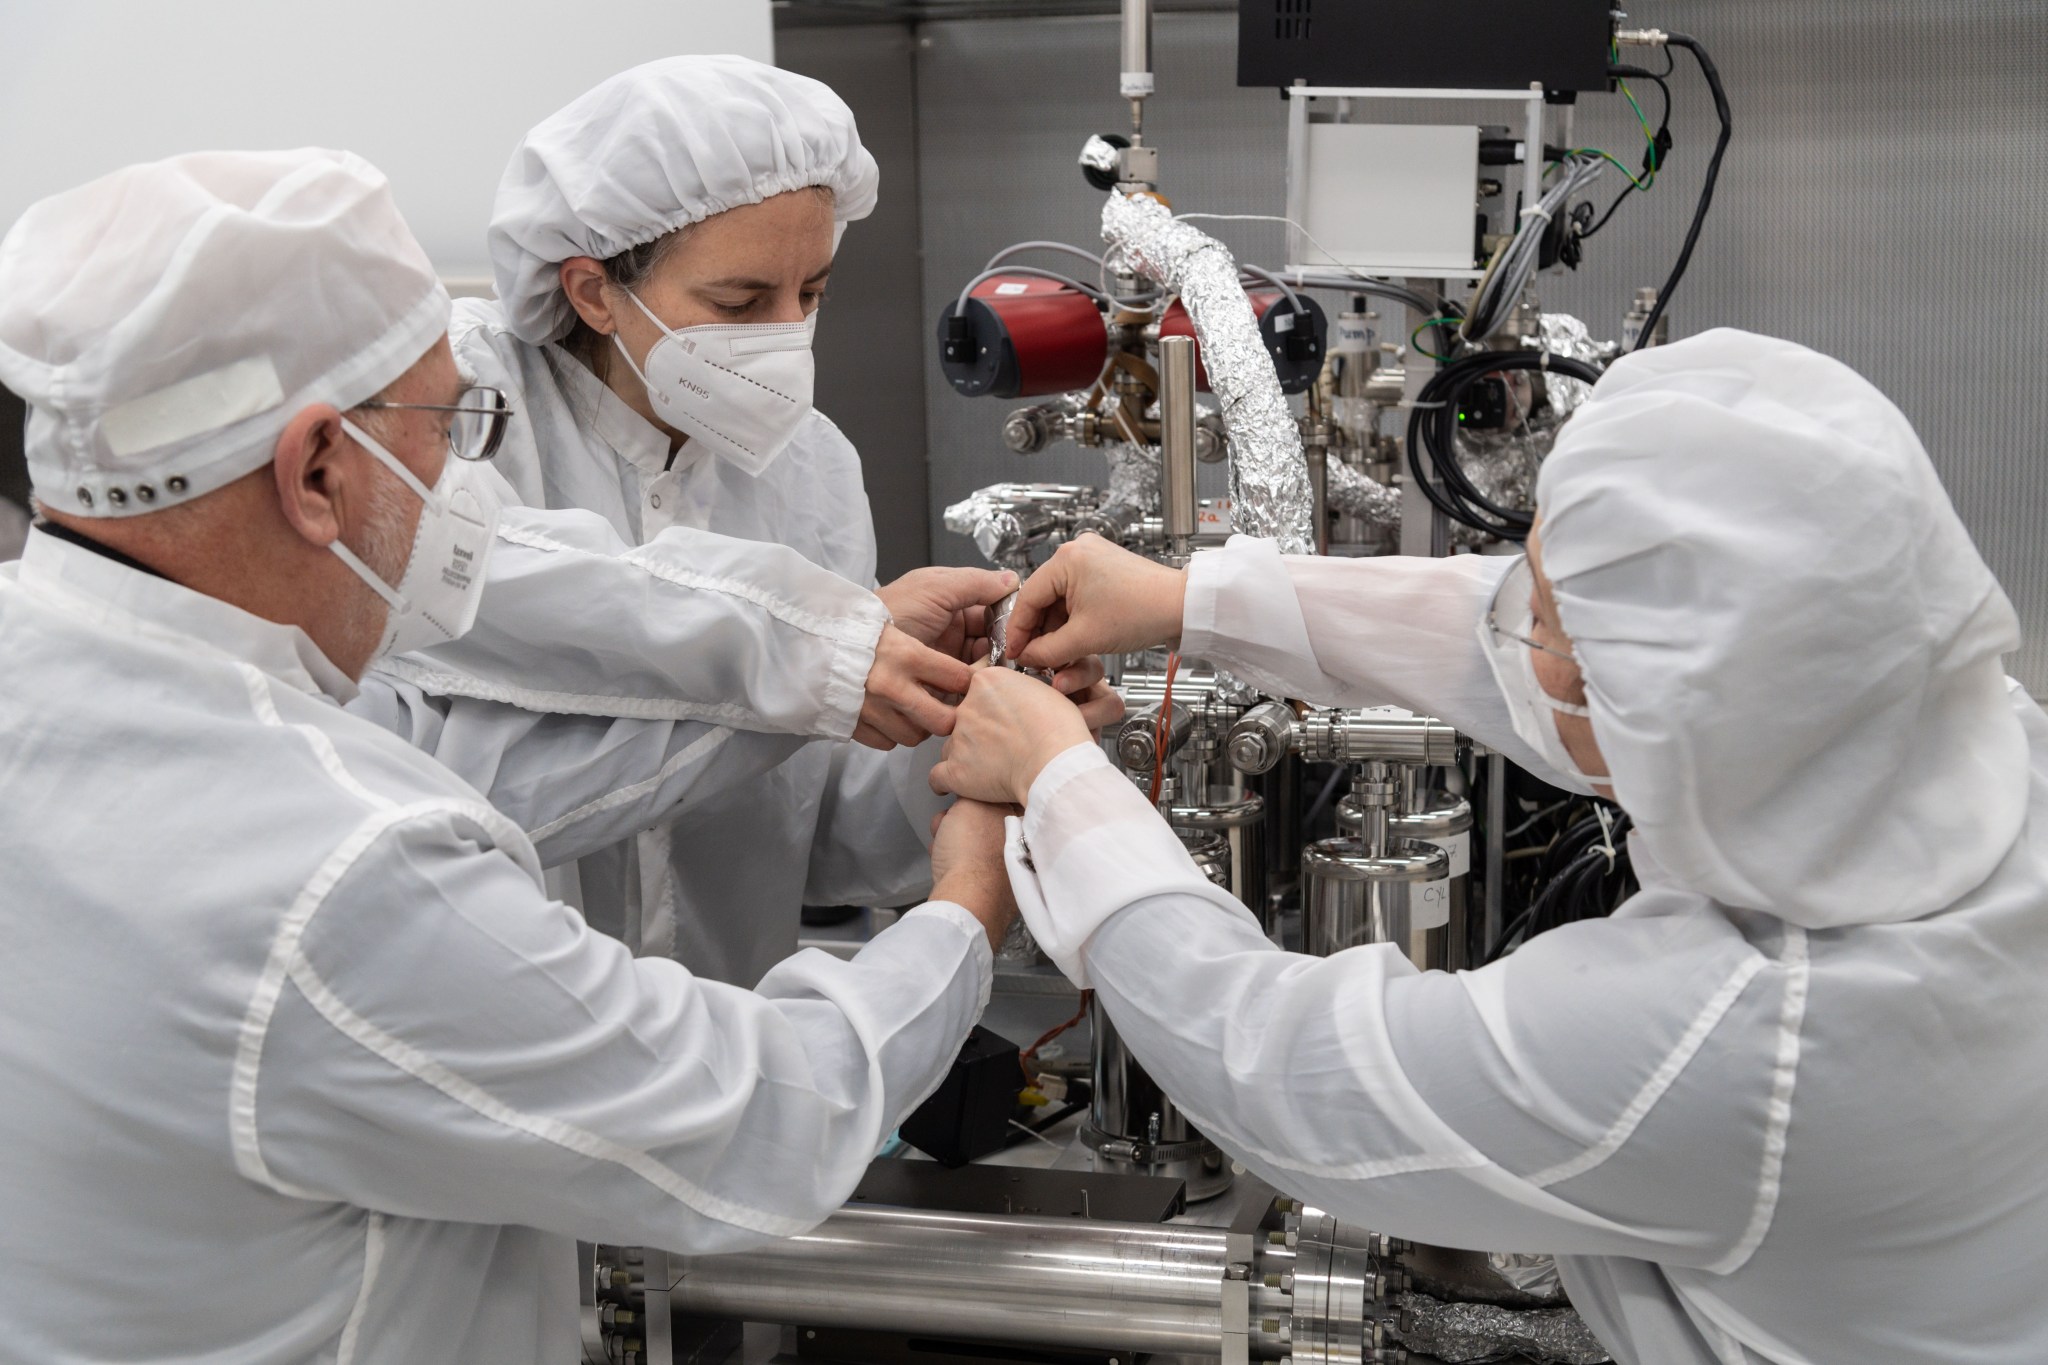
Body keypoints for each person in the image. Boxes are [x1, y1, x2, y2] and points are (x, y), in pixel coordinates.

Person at [0, 147, 1020, 1363]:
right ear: (318, 471)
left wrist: (848, 705)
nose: (472, 491)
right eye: (446, 427)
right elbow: (762, 1118)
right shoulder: (335, 867)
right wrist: (968, 907)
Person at [930, 329, 2048, 1363]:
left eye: (1556, 624)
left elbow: (1273, 1064)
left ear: (1673, 714)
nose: (1518, 624)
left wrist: (1058, 782)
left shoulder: (1732, 1036)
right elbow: (1553, 646)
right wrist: (1192, 599)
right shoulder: (1964, 736)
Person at [447, 54, 1115, 984]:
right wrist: (820, 659)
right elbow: (505, 611)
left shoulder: (812, 468)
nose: (784, 337)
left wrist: (954, 722)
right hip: (499, 1027)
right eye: (738, 302)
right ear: (593, 290)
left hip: (730, 1036)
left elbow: (825, 830)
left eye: (813, 295)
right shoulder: (459, 410)